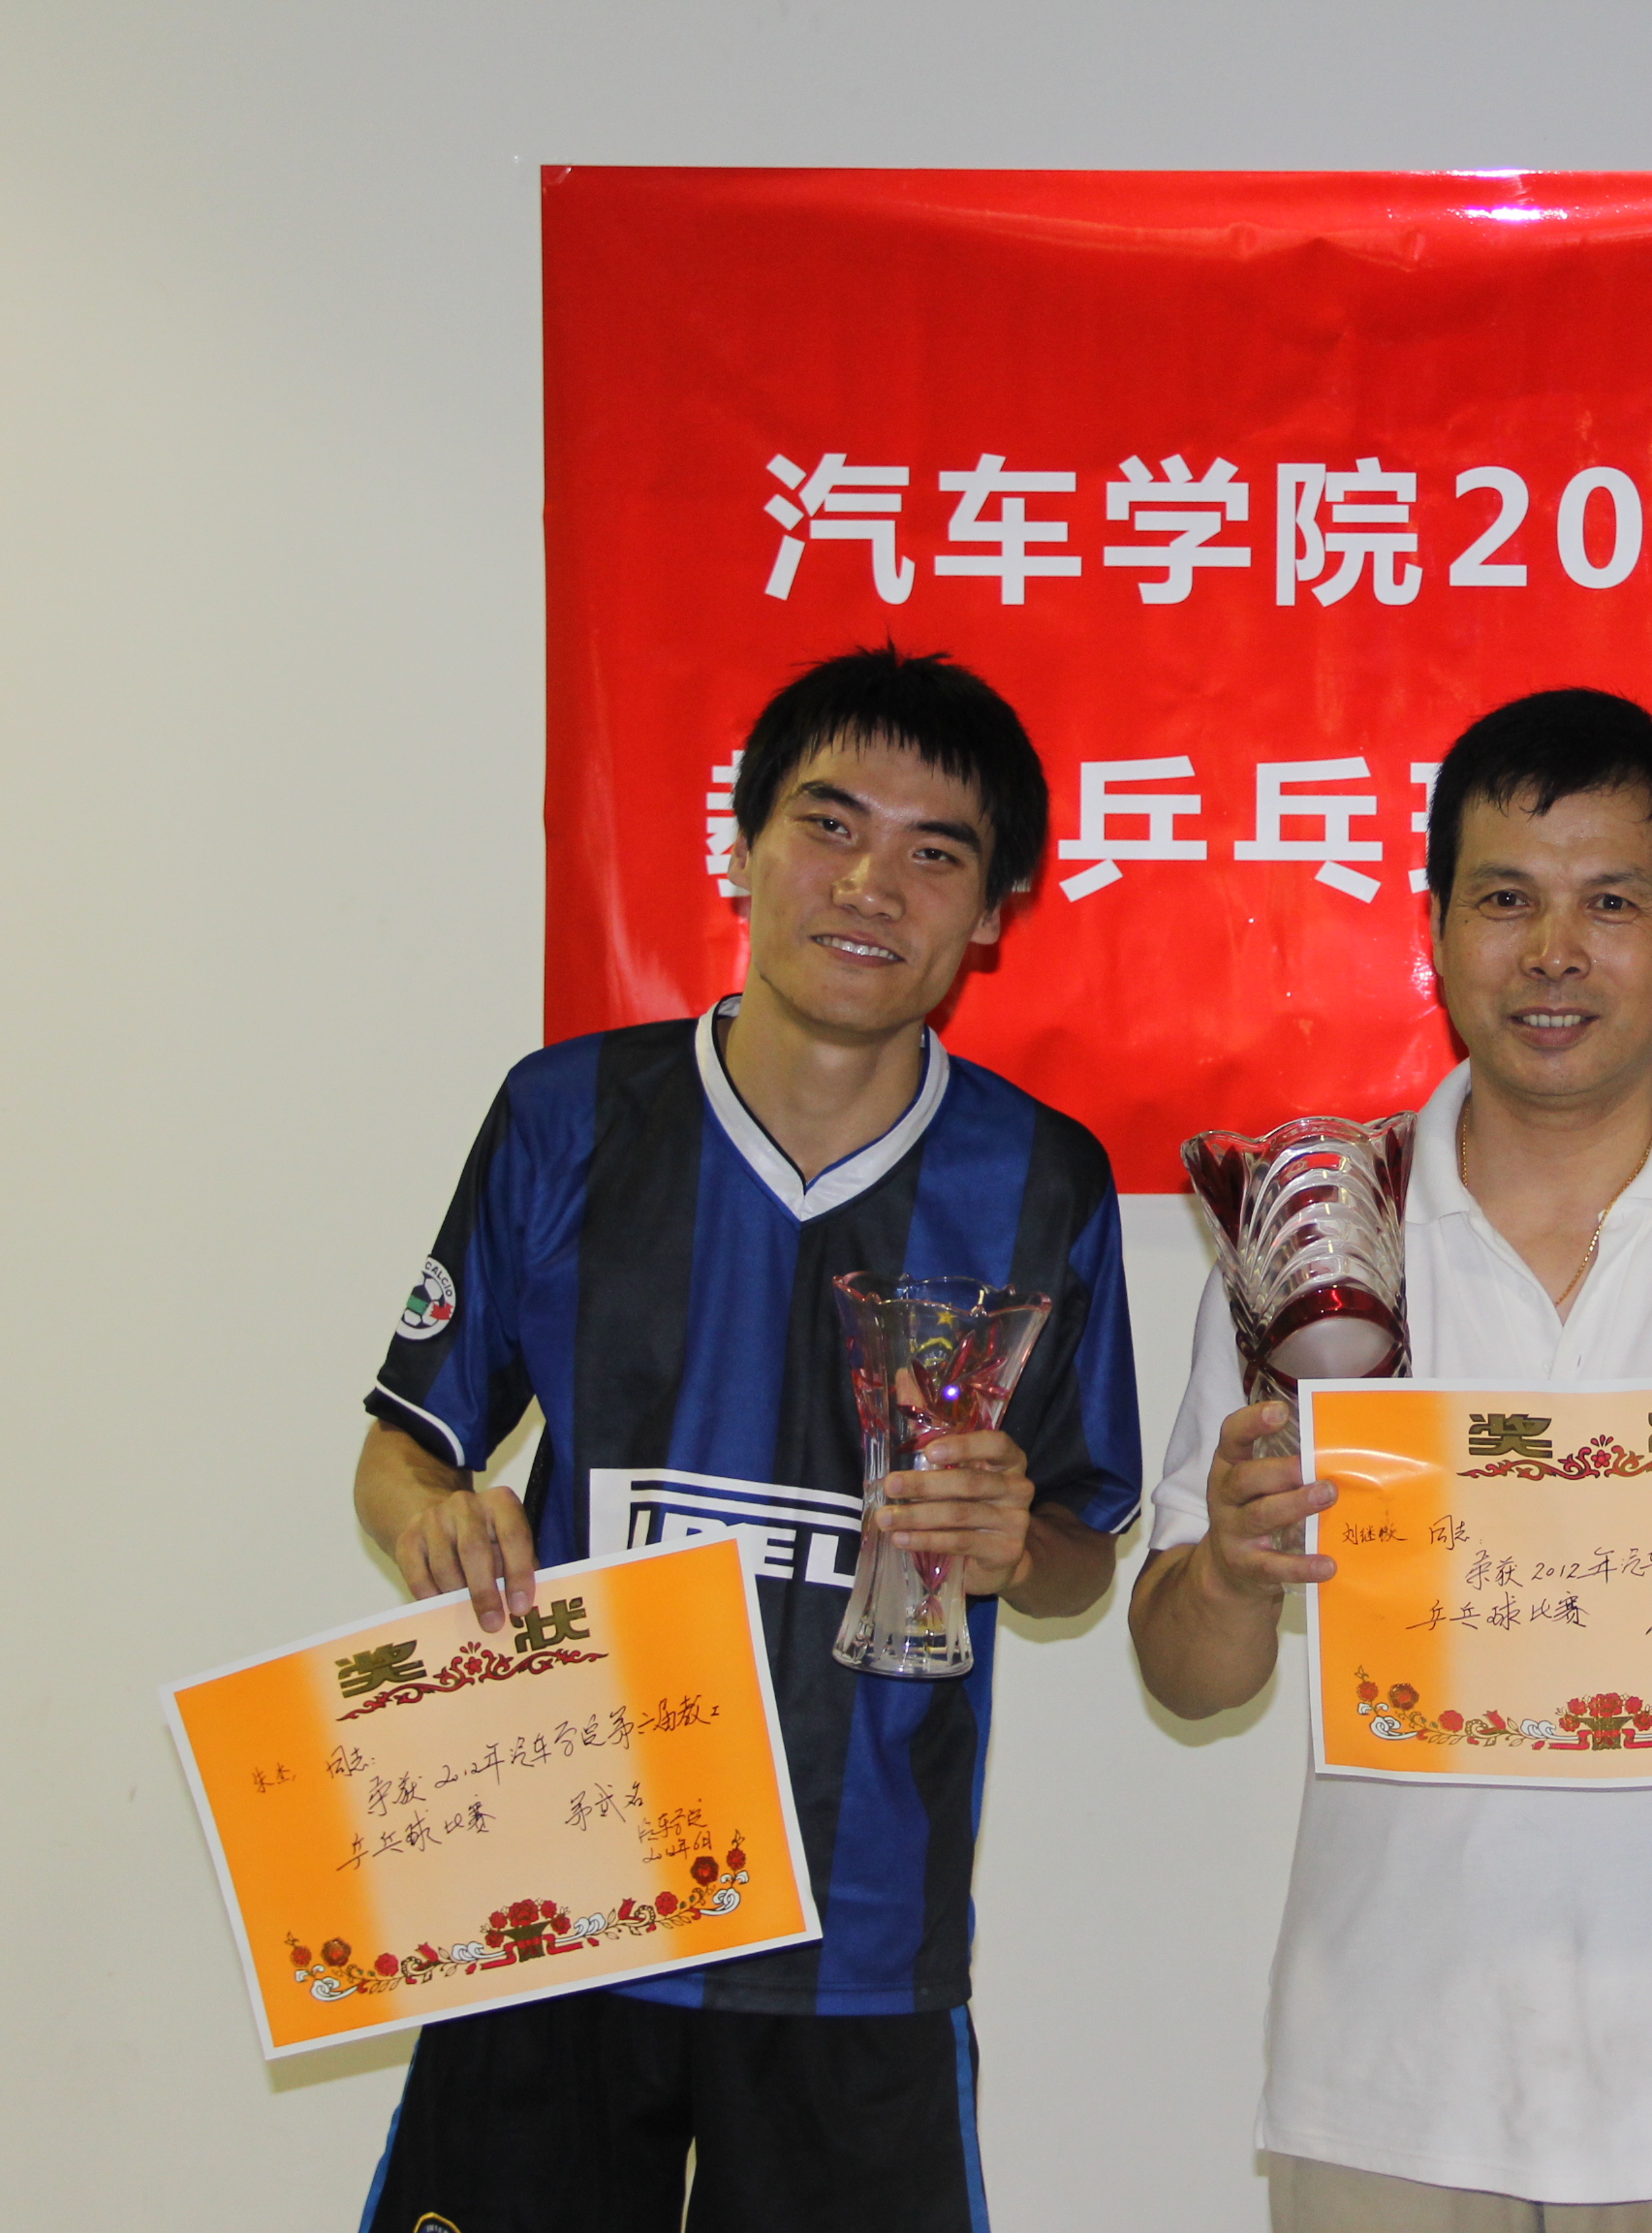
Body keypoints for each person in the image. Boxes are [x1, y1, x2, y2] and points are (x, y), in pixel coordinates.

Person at [1130, 687, 1652, 2232]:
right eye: (1506, 899)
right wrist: (1234, 1570)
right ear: (1434, 925)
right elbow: (1188, 1676)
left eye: (1612, 903)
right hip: (1390, 2070)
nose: (1553, 953)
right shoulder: (1315, 1241)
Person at [350, 645, 1142, 2233]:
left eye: (935, 853)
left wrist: (1019, 1545)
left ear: (994, 914)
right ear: (743, 846)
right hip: (559, 1894)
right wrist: (436, 1513)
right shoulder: (569, 1115)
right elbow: (398, 1455)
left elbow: (1076, 1555)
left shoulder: (1041, 1178)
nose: (870, 885)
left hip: (862, 1943)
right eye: (828, 825)